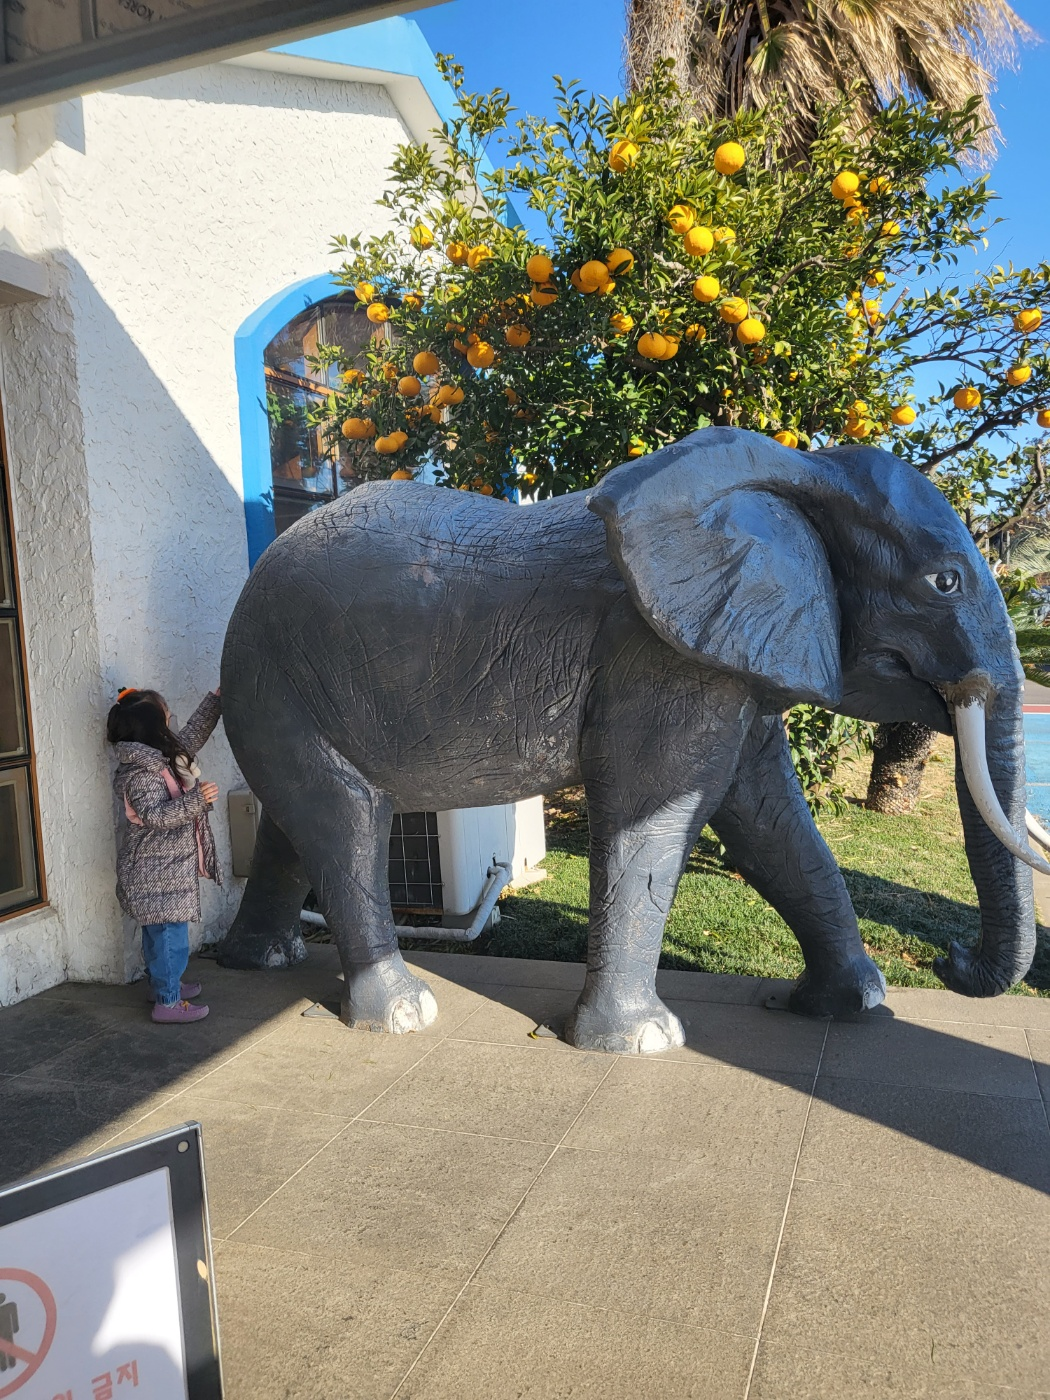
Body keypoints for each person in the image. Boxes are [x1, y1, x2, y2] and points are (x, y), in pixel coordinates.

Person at [107, 686, 222, 1023]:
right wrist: (197, 800)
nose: (172, 721)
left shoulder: (160, 759)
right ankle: (168, 1003)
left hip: (164, 870)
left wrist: (216, 700)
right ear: (153, 728)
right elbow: (156, 816)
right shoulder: (142, 774)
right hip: (156, 873)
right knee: (170, 939)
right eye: (167, 717)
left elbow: (192, 735)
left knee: (160, 936)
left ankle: (163, 985)